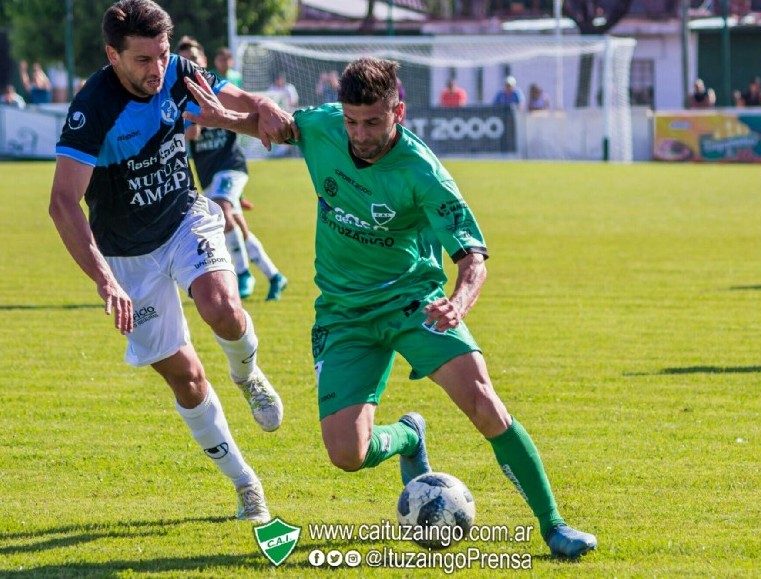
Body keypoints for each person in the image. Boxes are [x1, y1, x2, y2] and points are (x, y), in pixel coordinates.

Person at [185, 56, 597, 559]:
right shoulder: (325, 126)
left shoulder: (423, 173)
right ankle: (408, 435)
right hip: (343, 315)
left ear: (397, 110)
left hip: (414, 302)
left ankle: (554, 525)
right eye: (352, 121)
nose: (359, 134)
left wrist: (459, 302)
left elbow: (472, 258)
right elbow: (280, 127)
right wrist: (226, 119)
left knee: (485, 404)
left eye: (373, 121)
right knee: (346, 455)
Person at [49, 0, 297, 524]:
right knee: (185, 377)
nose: (156, 69)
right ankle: (245, 483)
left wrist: (265, 105)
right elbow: (62, 202)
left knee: (222, 304)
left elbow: (237, 99)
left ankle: (248, 375)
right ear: (112, 55)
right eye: (142, 59)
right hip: (125, 257)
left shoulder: (179, 72)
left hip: (185, 219)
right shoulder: (92, 108)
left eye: (161, 54)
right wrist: (104, 282)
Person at [178, 36, 288, 301]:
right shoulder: (179, 97)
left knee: (223, 212)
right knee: (235, 224)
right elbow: (191, 134)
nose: (191, 63)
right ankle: (274, 276)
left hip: (230, 165)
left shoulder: (218, 88)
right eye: (185, 61)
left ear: (204, 61)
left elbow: (241, 108)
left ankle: (242, 274)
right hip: (208, 173)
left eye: (194, 58)